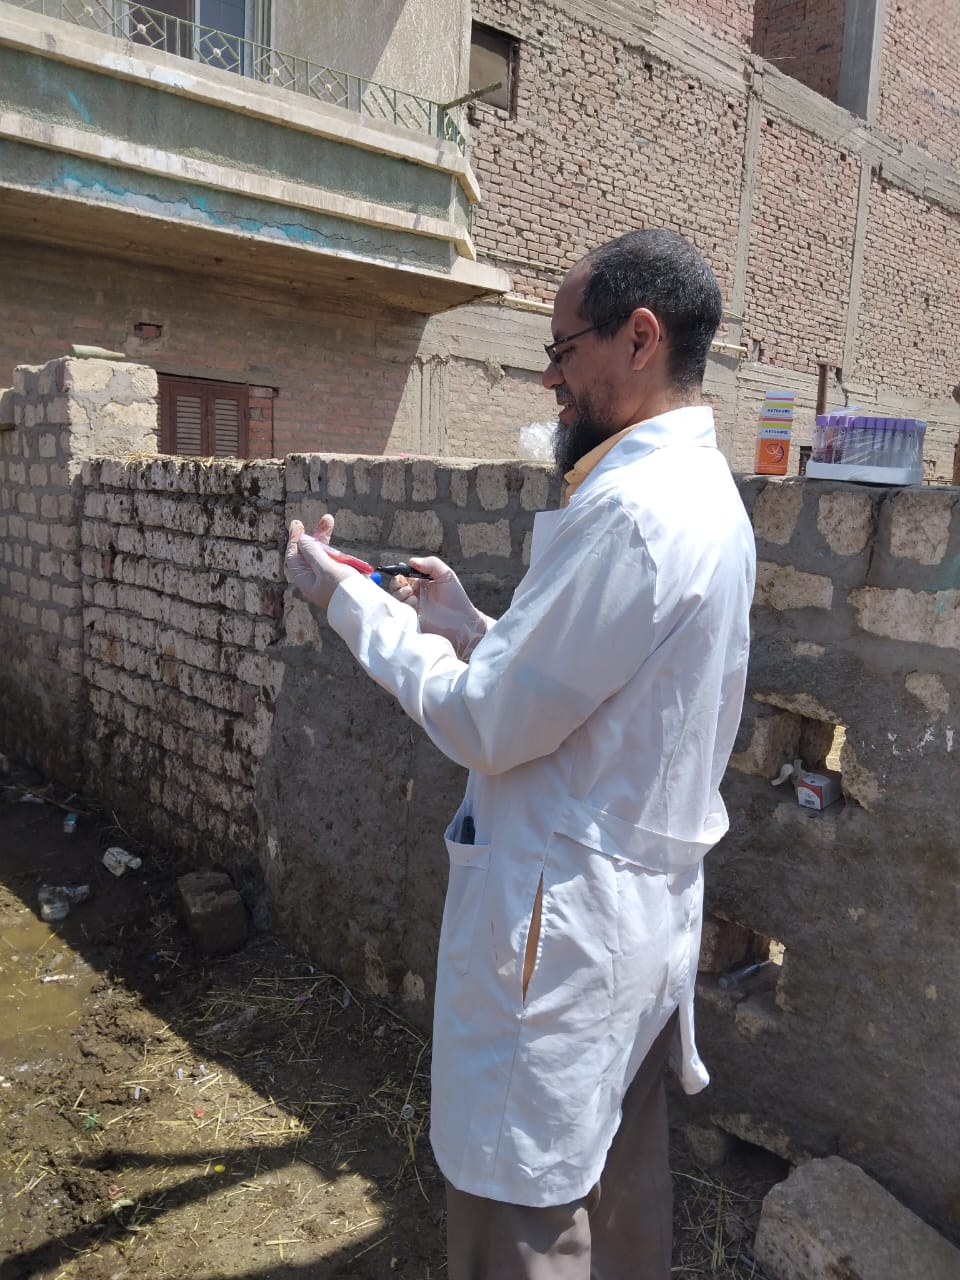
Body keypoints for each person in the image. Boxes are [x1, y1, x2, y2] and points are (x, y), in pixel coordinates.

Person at [285, 228, 756, 1279]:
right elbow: (604, 693)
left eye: (563, 348)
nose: (551, 378)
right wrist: (472, 627)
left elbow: (487, 725)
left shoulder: (631, 512)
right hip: (633, 922)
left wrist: (350, 603)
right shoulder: (700, 495)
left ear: (641, 337)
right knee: (618, 1189)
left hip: (565, 929)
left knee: (521, 1203)